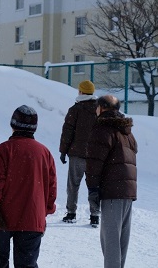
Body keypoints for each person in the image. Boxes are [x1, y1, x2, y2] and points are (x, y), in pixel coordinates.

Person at [0, 105, 57, 268]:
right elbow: (51, 187)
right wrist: (46, 209)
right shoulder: (44, 153)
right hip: (32, 216)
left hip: (2, 215)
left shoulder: (3, 150)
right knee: (27, 263)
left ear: (13, 124)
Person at [85, 95, 137, 268]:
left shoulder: (102, 129)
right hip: (128, 191)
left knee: (111, 242)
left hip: (112, 191)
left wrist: (92, 188)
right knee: (121, 241)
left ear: (101, 108)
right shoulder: (126, 131)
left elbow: (94, 162)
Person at [59, 80, 99, 226]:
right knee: (94, 185)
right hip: (95, 156)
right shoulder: (99, 109)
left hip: (77, 154)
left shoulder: (75, 109)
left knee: (73, 184)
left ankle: (71, 213)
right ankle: (94, 215)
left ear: (81, 92)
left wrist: (63, 151)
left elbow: (67, 132)